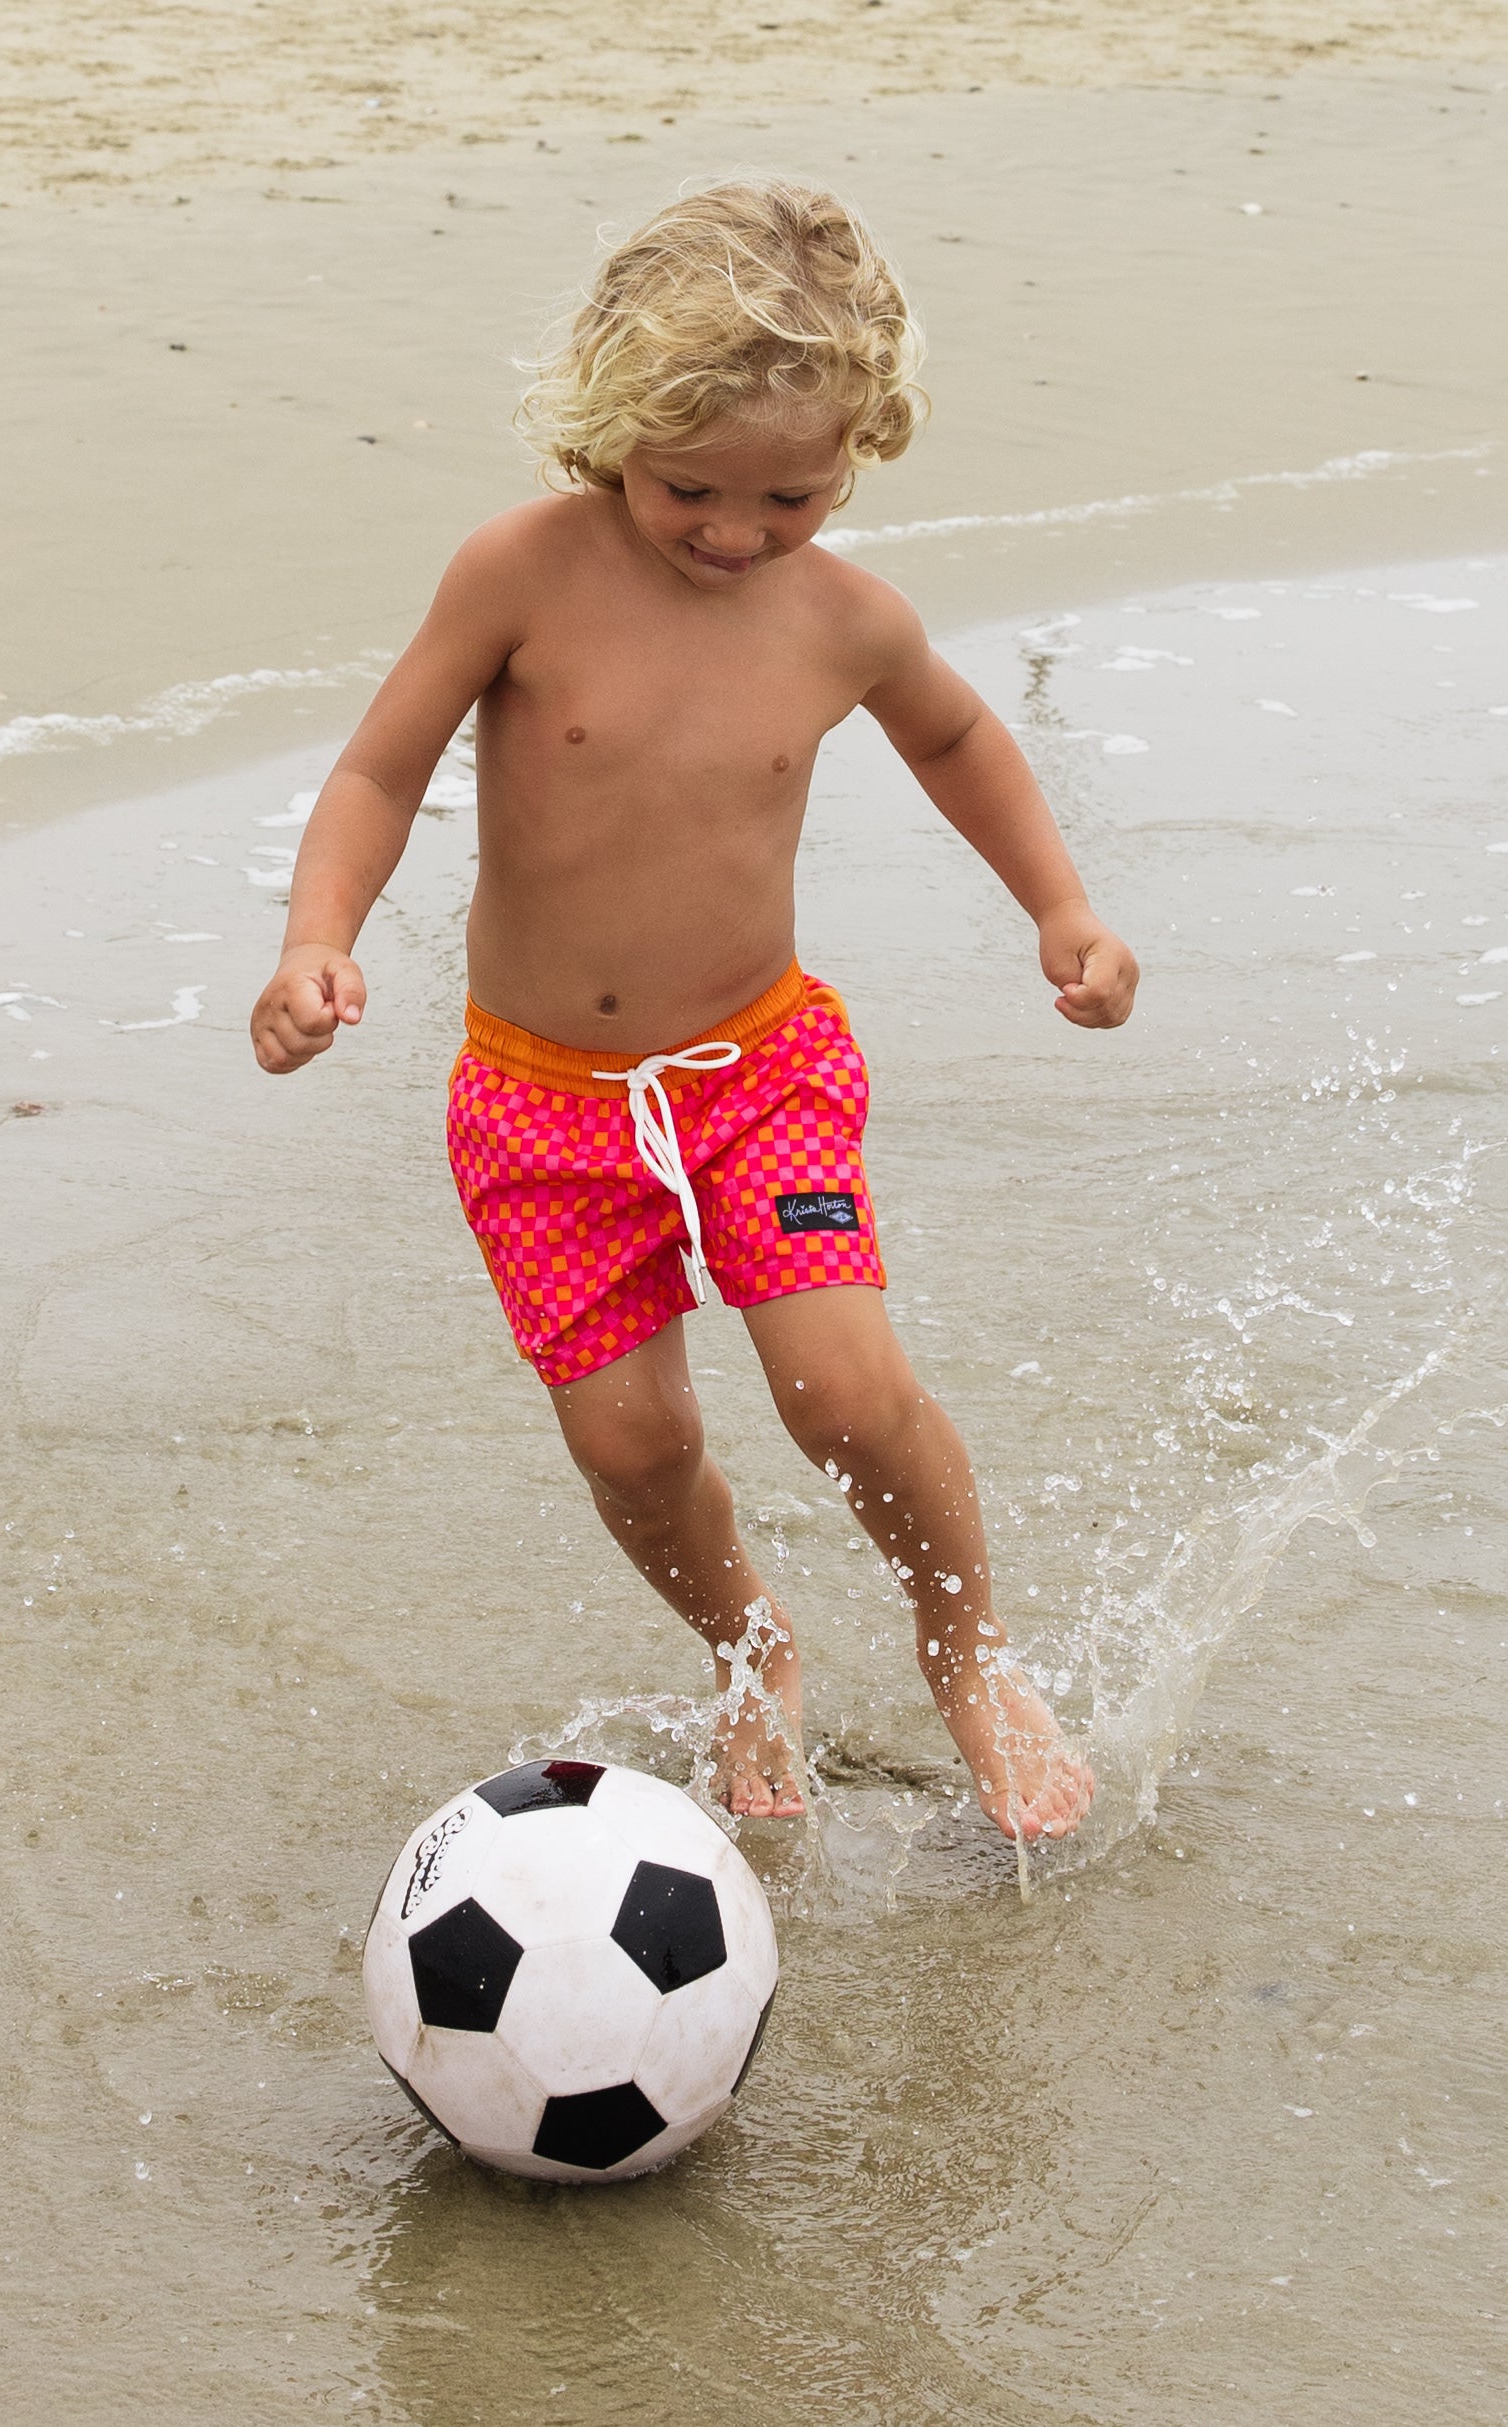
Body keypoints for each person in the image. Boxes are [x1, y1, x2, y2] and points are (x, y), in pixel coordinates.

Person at [250, 177, 1137, 1838]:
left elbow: (956, 740)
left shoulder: (846, 618)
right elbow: (381, 765)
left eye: (788, 496)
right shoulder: (518, 570)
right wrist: (316, 939)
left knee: (842, 1395)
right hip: (537, 1102)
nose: (736, 532)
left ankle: (968, 1649)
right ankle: (750, 1655)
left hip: (760, 1073)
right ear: (608, 424)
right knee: (632, 1443)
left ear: (861, 445)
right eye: (690, 491)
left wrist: (1061, 907)